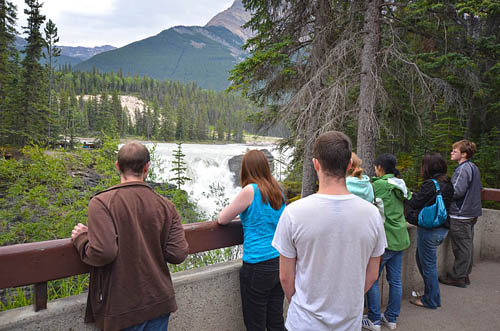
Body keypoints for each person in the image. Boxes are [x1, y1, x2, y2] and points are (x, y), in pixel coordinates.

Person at [272, 131, 386, 331]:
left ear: (316, 164)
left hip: (303, 323)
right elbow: (372, 273)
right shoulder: (372, 215)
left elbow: (285, 276)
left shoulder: (293, 213)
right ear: (349, 165)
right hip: (349, 322)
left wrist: (301, 306)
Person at [71, 142, 189, 331]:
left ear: (117, 166)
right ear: (147, 167)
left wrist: (82, 238)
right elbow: (178, 254)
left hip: (122, 308)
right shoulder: (166, 205)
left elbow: (103, 252)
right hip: (159, 301)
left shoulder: (101, 203)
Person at [217, 149, 286, 331]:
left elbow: (222, 219)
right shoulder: (278, 190)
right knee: (275, 321)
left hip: (257, 264)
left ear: (246, 169)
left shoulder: (250, 190)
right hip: (279, 261)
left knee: (255, 323)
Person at [363, 153, 411, 331]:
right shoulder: (400, 183)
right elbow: (410, 197)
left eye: (376, 167)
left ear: (380, 168)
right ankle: (391, 318)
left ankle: (374, 319)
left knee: (373, 279)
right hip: (401, 237)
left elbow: (363, 193)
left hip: (385, 239)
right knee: (395, 281)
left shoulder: (379, 185)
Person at [405, 153, 454, 309]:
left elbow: (415, 202)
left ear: (428, 167)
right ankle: (431, 295)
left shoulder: (430, 185)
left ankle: (431, 300)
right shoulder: (447, 182)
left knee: (428, 265)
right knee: (422, 261)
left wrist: (404, 195)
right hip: (442, 228)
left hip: (430, 230)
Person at [439, 140, 482, 288]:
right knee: (467, 244)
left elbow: (457, 191)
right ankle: (464, 274)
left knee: (461, 247)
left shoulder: (463, 169)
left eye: (454, 151)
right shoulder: (473, 167)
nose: (451, 153)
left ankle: (459, 277)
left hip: (460, 214)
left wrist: (442, 192)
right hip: (471, 213)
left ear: (463, 154)